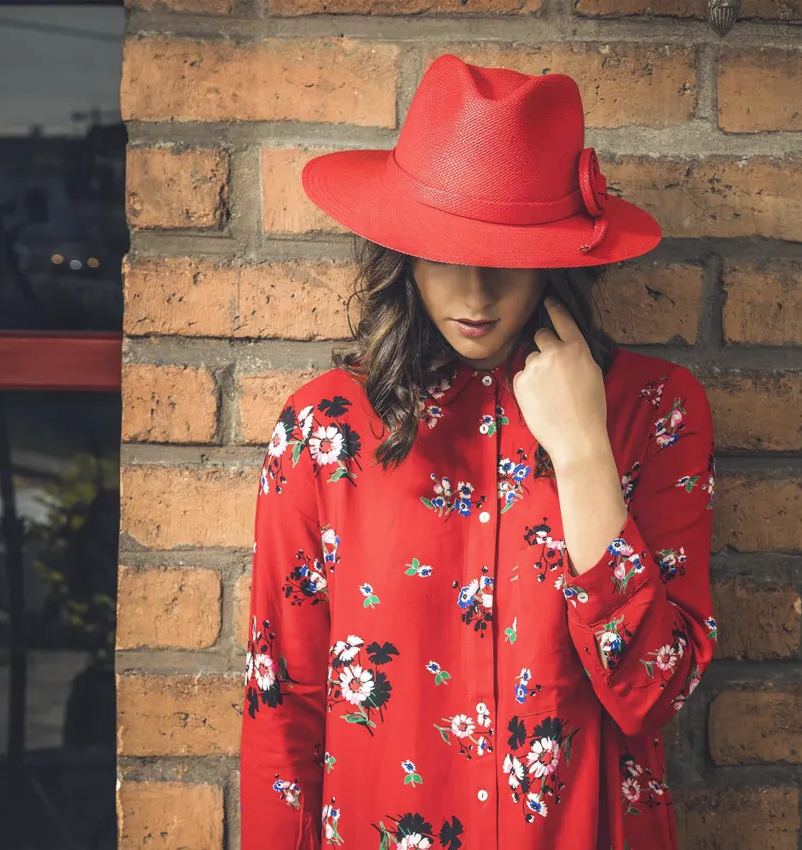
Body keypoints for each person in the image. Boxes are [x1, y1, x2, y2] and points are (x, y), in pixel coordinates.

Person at [239, 53, 719, 850]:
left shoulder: (654, 410)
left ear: (560, 253)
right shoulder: (325, 430)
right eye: (442, 246)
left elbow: (652, 691)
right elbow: (283, 706)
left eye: (506, 250)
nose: (473, 290)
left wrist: (582, 454)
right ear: (401, 248)